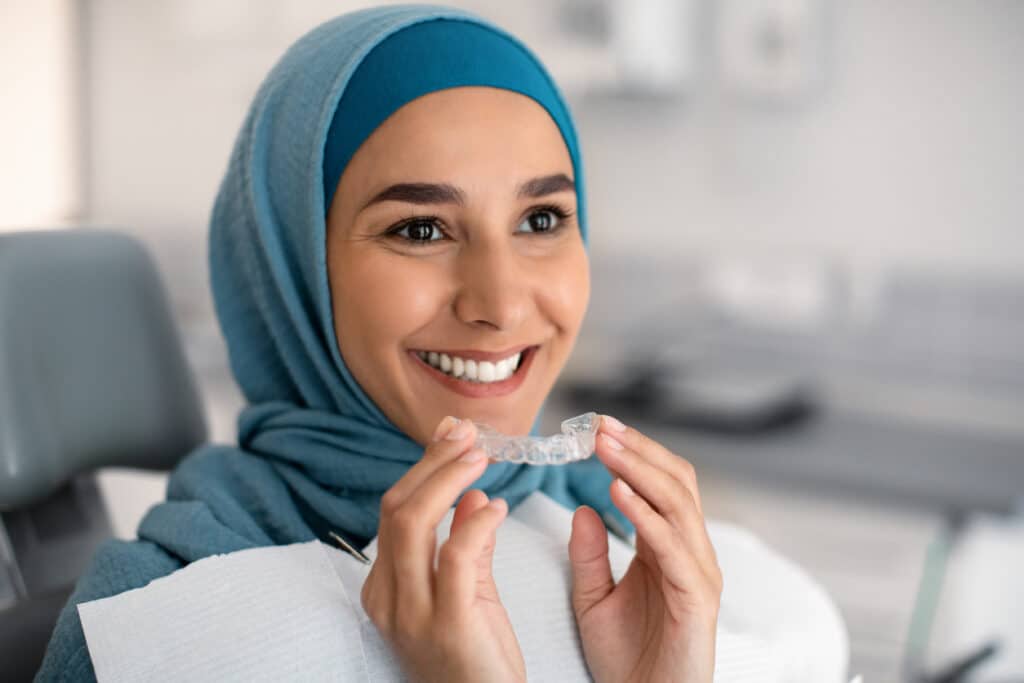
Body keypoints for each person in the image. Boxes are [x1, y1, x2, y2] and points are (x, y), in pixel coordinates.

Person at [36, 6, 726, 681]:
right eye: (421, 229)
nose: (501, 303)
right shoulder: (148, 628)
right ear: (293, 268)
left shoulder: (634, 548)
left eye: (540, 218)